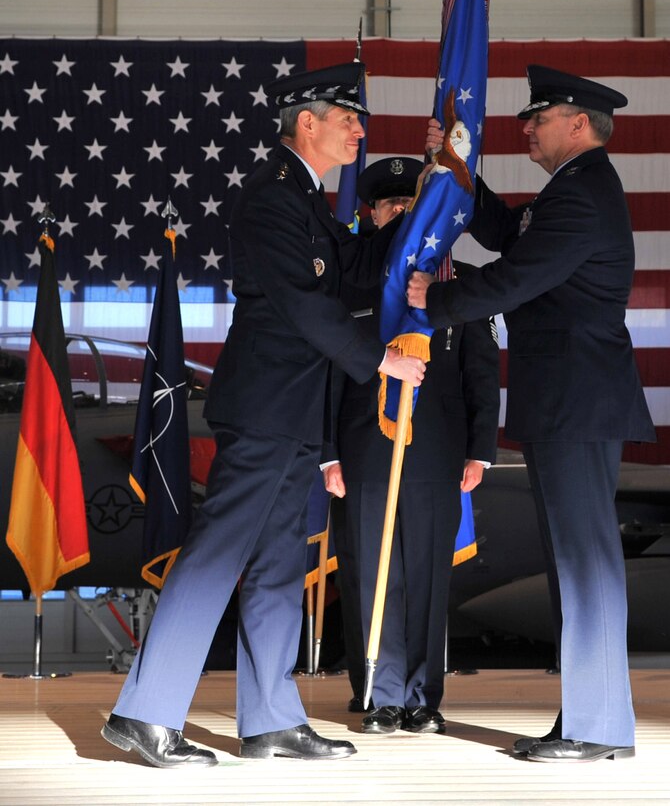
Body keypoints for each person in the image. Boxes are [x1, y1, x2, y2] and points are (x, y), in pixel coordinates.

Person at [100, 61, 426, 768]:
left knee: (280, 564)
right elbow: (308, 306)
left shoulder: (308, 203)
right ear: (305, 123)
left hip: (295, 411)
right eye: (348, 119)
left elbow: (357, 267)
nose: (359, 131)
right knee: (219, 551)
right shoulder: (273, 198)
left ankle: (272, 718)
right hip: (265, 404)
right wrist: (382, 361)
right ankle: (145, 712)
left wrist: (422, 209)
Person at [408, 64, 656, 762]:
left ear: (578, 124)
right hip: (568, 401)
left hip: (578, 402)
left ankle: (599, 726)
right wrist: (456, 172)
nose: (526, 127)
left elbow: (518, 277)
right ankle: (589, 715)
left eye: (538, 117)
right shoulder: (571, 193)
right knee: (575, 562)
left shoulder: (581, 197)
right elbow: (507, 233)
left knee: (585, 564)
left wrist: (437, 299)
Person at [324, 156, 500, 734]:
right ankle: (379, 694)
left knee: (426, 573)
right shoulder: (348, 281)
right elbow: (325, 376)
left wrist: (480, 449)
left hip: (438, 451)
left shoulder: (459, 283)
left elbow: (480, 374)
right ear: (370, 214)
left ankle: (423, 696)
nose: (401, 212)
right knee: (372, 572)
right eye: (390, 205)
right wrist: (328, 452)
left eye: (413, 204)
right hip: (363, 451)